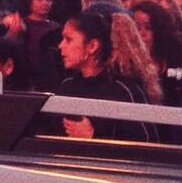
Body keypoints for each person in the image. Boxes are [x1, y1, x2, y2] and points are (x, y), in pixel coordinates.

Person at [55, 9, 156, 142]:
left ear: (92, 46)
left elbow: (146, 144)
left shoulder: (124, 91)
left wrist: (94, 137)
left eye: (68, 40)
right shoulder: (67, 86)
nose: (60, 45)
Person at [2, 0, 62, 89]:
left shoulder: (56, 27)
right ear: (29, 1)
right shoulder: (20, 25)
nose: (45, 3)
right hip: (26, 80)